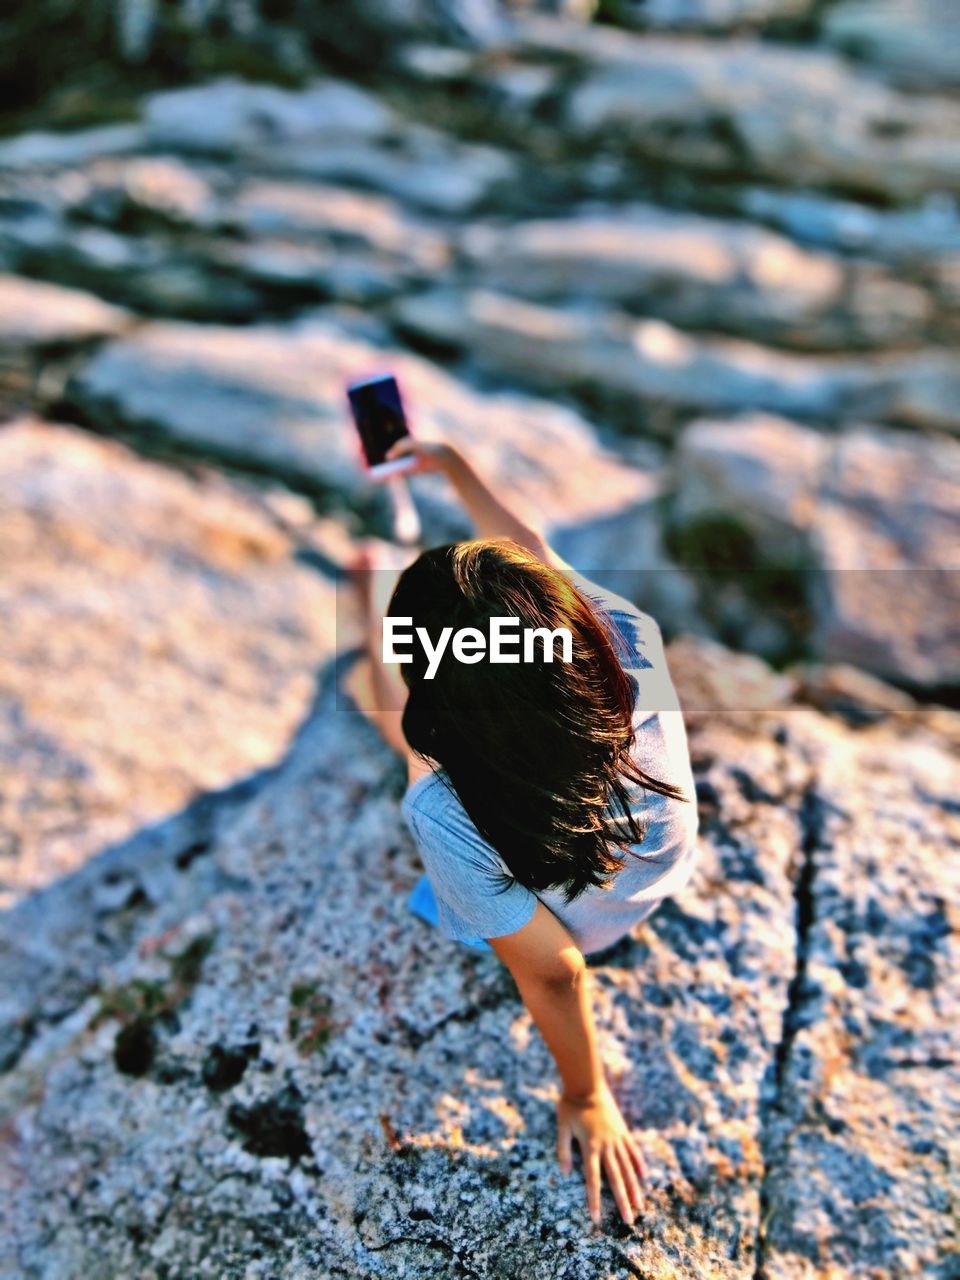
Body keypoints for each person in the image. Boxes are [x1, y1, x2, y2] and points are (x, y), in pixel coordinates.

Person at [346, 436, 699, 1230]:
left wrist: (586, 1094)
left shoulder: (443, 809)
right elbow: (531, 552)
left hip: (582, 923)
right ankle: (374, 604)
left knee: (394, 728)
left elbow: (556, 973)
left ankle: (370, 610)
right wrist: (456, 470)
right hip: (656, 872)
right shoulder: (621, 627)